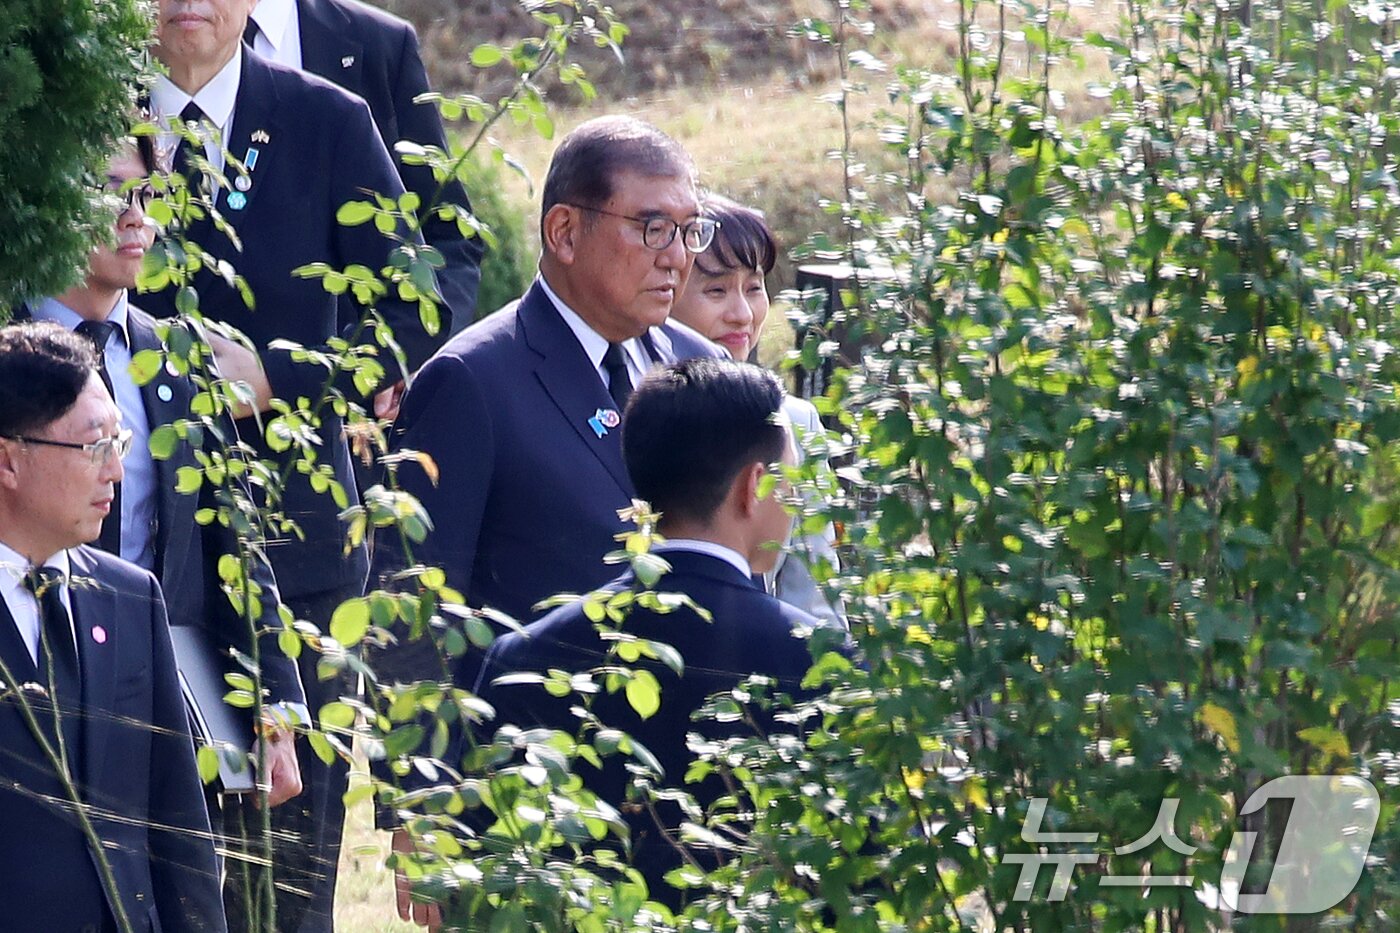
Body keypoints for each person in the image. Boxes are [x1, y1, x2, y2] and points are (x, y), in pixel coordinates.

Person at [145, 1, 450, 928]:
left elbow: (413, 308)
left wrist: (281, 380)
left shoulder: (326, 118)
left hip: (296, 550)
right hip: (127, 541)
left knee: (281, 873)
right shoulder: (92, 121)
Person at [471, 357, 825, 910]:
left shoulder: (523, 656)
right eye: (792, 479)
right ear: (753, 486)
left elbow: (487, 876)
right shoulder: (816, 660)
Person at [21, 133, 305, 805]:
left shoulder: (173, 356)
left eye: (147, 194)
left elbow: (233, 545)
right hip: (27, 689)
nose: (135, 216)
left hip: (157, 698)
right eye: (111, 193)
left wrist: (276, 699)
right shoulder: (9, 344)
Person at [0, 322, 226, 933]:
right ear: (8, 460)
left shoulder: (129, 598)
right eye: (94, 447)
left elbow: (178, 825)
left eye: (118, 444)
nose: (117, 473)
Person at [244, 0, 483, 330]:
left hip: (355, 372)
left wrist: (412, 357)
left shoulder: (380, 44)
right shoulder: (152, 44)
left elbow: (446, 232)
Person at [668, 193, 845, 627]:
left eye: (754, 288)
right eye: (716, 290)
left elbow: (816, 609)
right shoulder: (633, 415)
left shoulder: (796, 424)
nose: (742, 314)